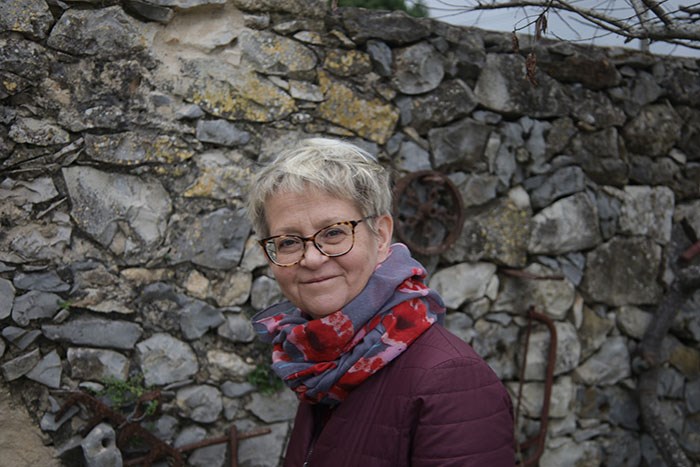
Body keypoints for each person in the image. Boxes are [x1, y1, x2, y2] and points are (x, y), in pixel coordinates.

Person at [247, 138, 515, 466]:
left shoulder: (451, 380)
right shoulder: (318, 357)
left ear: (382, 235)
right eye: (288, 241)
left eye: (333, 233)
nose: (313, 259)